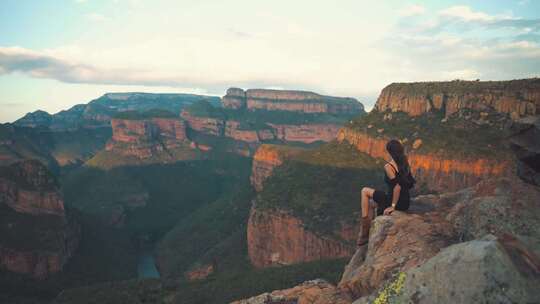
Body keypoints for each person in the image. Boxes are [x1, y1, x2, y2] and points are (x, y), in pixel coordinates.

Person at [357, 139, 413, 246]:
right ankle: (366, 232)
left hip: (395, 201)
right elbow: (406, 184)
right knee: (371, 203)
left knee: (364, 191)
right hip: (405, 201)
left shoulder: (389, 167)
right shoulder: (404, 161)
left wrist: (392, 206)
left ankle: (364, 232)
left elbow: (397, 187)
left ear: (389, 152)